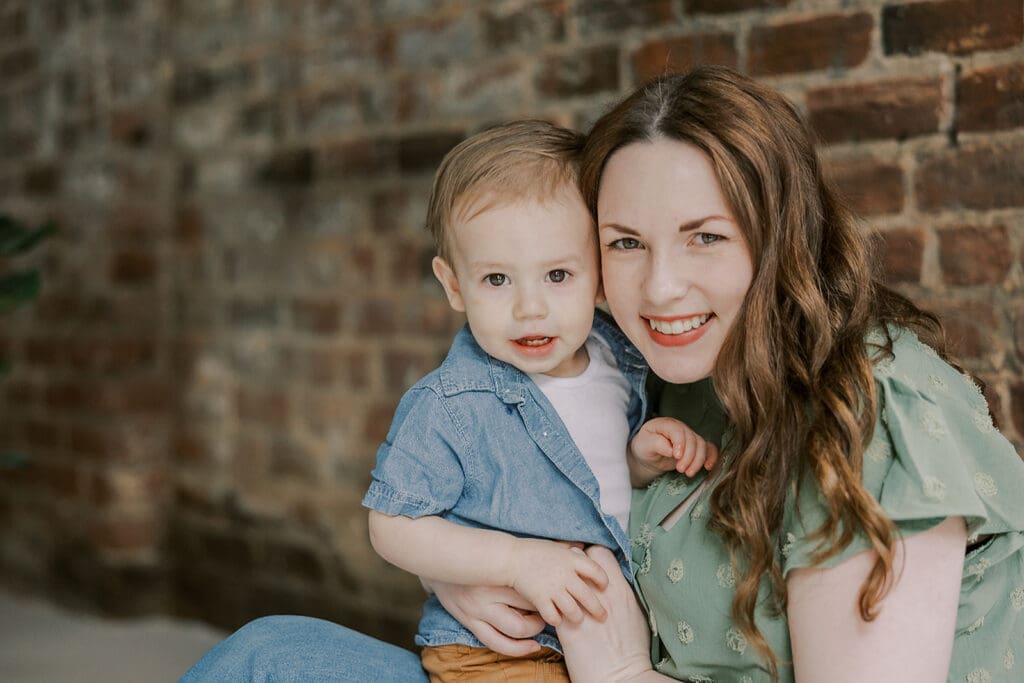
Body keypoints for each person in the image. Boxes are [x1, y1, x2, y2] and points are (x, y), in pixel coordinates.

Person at [179, 65, 1024, 683]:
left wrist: (620, 670)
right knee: (267, 657)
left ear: (780, 237)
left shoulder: (873, 410)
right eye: (625, 242)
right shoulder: (658, 364)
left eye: (706, 235)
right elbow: (525, 460)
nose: (659, 287)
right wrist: (471, 568)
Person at [362, 119, 715, 681]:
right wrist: (515, 562)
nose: (530, 308)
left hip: (613, 638)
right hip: (505, 650)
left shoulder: (619, 362)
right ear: (454, 285)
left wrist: (637, 463)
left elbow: (590, 484)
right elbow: (391, 524)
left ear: (597, 274)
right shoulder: (452, 404)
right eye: (497, 280)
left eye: (557, 275)